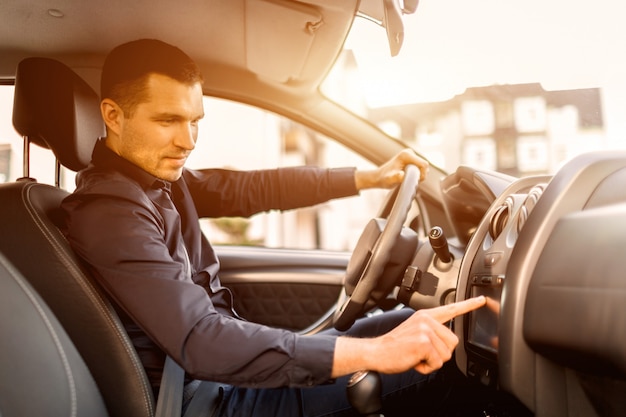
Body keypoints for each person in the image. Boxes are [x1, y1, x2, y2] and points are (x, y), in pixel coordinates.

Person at [61, 39, 486, 416]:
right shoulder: (110, 211)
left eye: (195, 121)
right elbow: (200, 340)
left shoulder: (154, 182)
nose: (188, 140)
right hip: (208, 400)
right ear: (113, 116)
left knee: (429, 328)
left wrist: (368, 177)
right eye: (168, 120)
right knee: (450, 363)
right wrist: (375, 352)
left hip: (224, 376)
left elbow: (252, 189)